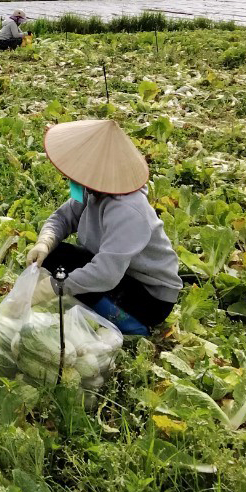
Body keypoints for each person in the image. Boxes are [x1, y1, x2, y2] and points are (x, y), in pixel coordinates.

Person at [23, 119, 182, 335]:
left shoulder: (128, 210)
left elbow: (106, 274)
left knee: (80, 286)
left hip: (149, 294)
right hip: (118, 270)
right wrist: (45, 242)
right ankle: (89, 303)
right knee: (55, 256)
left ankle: (133, 326)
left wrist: (54, 287)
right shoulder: (91, 189)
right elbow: (64, 216)